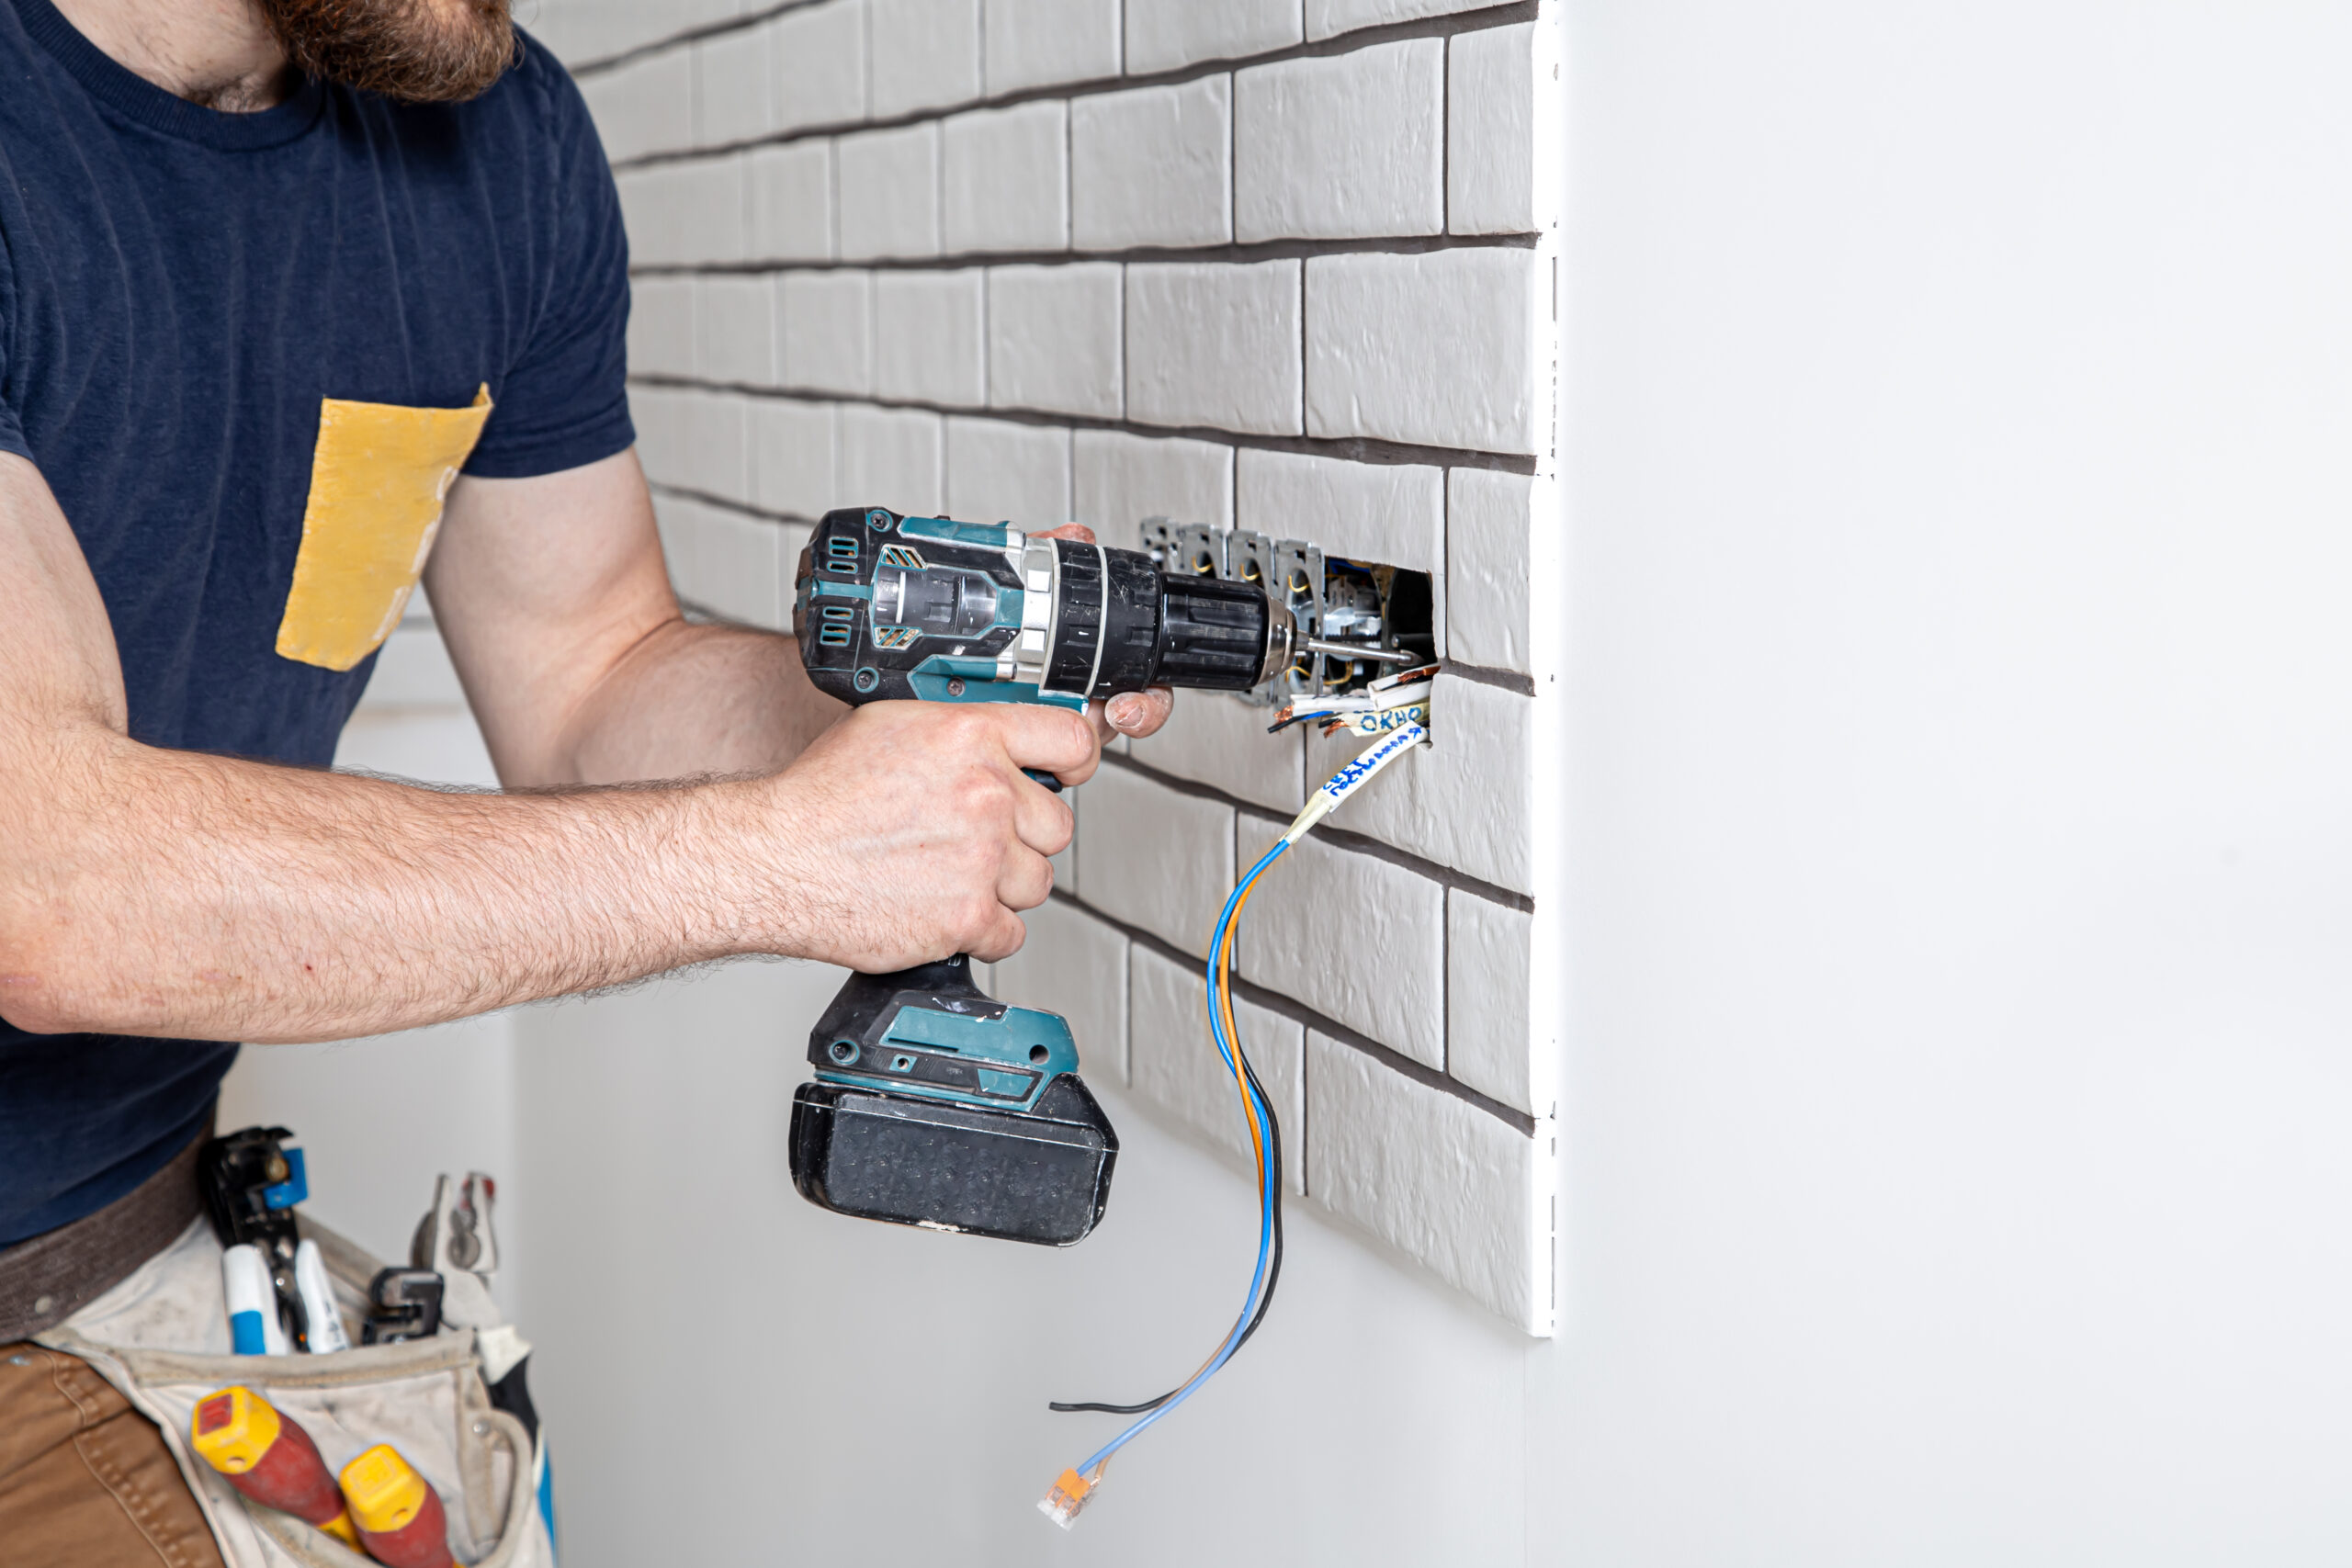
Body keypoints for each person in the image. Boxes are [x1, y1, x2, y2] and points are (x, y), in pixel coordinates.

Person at [0, 0, 1173, 1558]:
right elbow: (56, 885)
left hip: (129, 1262)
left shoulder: (491, 140)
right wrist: (775, 858)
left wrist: (875, 705)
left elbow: (593, 677)